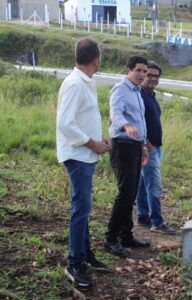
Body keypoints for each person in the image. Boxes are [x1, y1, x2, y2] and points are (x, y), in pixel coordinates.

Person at [56, 38, 110, 288]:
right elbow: (65, 124)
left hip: (86, 154)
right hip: (77, 156)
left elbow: (81, 118)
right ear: (96, 59)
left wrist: (99, 141)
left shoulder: (86, 81)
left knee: (84, 208)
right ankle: (74, 263)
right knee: (81, 209)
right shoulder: (75, 84)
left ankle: (85, 254)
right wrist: (92, 143)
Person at [105, 56, 151, 257]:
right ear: (129, 70)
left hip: (134, 146)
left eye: (144, 71)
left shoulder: (138, 92)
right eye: (138, 70)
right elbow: (115, 113)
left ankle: (126, 235)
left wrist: (142, 145)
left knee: (131, 193)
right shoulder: (120, 89)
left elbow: (139, 122)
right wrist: (126, 125)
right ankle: (111, 238)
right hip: (122, 145)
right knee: (125, 193)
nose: (142, 75)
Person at [136, 61, 176, 235]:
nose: (152, 78)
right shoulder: (140, 96)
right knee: (154, 186)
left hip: (154, 147)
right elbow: (136, 122)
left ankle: (143, 215)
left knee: (143, 184)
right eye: (149, 75)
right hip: (148, 147)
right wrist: (146, 144)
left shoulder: (150, 95)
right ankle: (157, 222)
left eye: (156, 76)